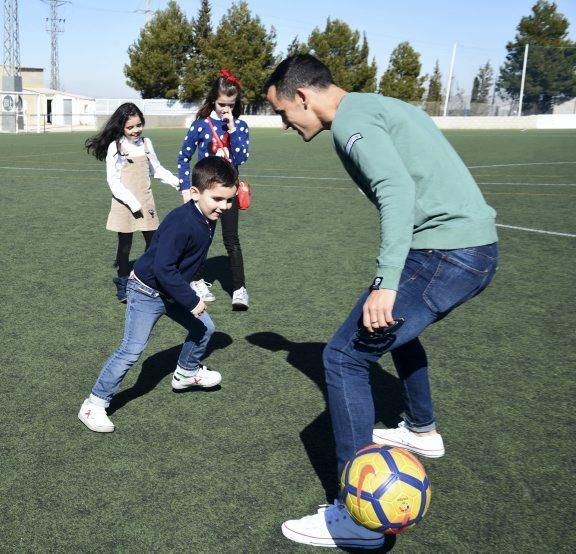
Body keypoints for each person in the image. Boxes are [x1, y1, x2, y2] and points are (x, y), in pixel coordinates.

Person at [264, 54, 498, 549]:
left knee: (344, 357)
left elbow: (395, 190)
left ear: (302, 96)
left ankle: (359, 521)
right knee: (391, 331)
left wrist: (385, 281)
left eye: (284, 113)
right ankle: (421, 429)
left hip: (445, 254)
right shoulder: (375, 105)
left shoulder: (349, 123)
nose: (287, 124)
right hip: (470, 249)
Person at [78, 157, 238, 433]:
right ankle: (94, 403)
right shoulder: (182, 222)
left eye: (229, 200)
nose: (224, 206)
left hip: (170, 289)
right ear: (196, 192)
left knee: (205, 328)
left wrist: (192, 284)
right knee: (132, 350)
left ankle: (186, 373)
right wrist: (191, 299)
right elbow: (163, 269)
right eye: (218, 199)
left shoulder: (206, 216)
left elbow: (184, 261)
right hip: (147, 291)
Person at [85, 102, 180, 302]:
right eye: (130, 127)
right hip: (124, 203)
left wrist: (178, 183)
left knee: (154, 244)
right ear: (121, 127)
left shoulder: (147, 144)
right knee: (125, 246)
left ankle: (149, 280)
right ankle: (122, 282)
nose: (135, 130)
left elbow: (157, 169)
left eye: (139, 125)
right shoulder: (115, 147)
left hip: (146, 201)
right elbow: (113, 181)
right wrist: (132, 202)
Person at [177, 68, 251, 310]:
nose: (225, 108)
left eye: (230, 104)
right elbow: (183, 157)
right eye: (221, 104)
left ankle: (239, 289)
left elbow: (241, 157)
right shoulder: (200, 125)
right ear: (213, 101)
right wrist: (186, 188)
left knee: (232, 240)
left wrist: (231, 130)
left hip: (228, 193)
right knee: (200, 238)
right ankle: (196, 280)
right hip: (205, 193)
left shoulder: (240, 126)